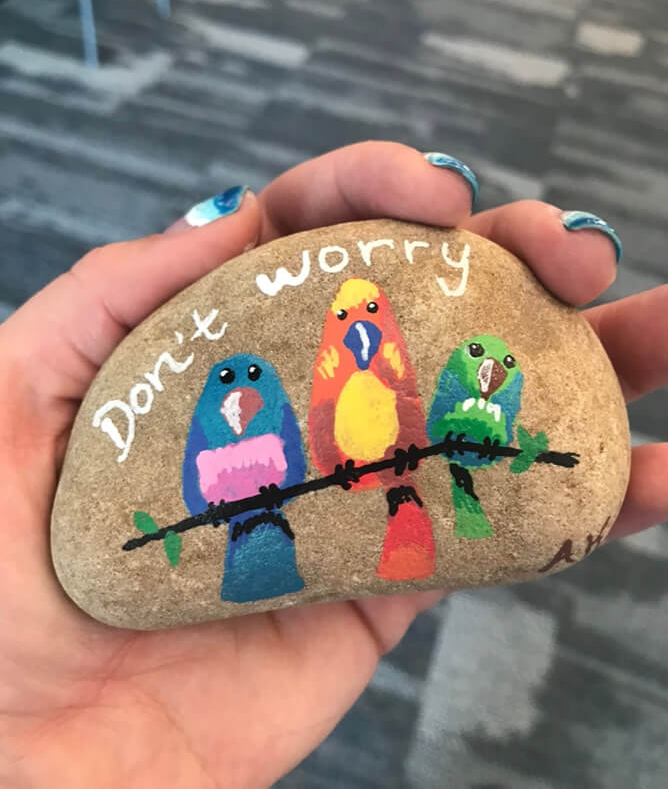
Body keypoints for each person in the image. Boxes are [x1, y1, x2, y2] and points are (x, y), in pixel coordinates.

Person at [0, 142, 665, 788]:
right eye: (349, 316)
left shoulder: (394, 369)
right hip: (307, 483)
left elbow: (402, 410)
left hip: (402, 465)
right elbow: (317, 427)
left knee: (406, 504)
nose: (361, 326)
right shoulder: (321, 378)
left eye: (369, 313)